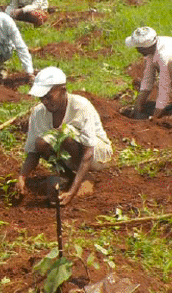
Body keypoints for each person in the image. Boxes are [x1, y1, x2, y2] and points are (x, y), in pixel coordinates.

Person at [16, 67, 113, 206]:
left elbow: (88, 152)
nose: (45, 102)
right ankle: (68, 175)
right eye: (41, 97)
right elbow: (33, 152)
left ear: (63, 90)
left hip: (97, 154)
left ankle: (84, 178)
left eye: (49, 97)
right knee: (41, 142)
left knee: (65, 135)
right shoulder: (39, 113)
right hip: (74, 156)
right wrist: (22, 177)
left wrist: (72, 192)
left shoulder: (80, 106)